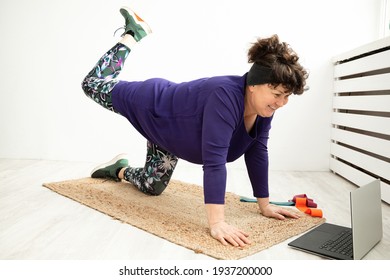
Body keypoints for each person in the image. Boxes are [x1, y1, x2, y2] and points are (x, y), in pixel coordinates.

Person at [81, 6, 309, 248]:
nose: (281, 103)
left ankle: (118, 170)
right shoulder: (225, 97)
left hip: (170, 137)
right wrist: (217, 222)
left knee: (152, 186)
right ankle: (131, 35)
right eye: (277, 94)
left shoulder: (264, 109)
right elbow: (214, 162)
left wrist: (264, 205)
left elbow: (257, 152)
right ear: (253, 85)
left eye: (286, 97)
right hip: (153, 104)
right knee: (92, 84)